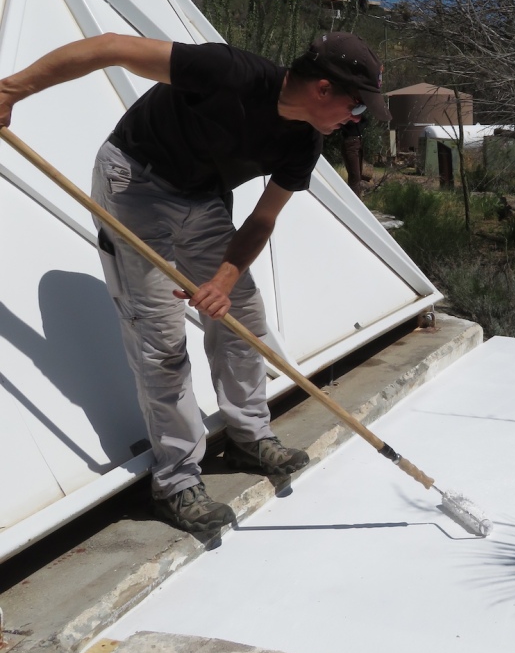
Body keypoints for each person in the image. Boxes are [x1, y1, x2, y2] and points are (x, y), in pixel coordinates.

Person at [0, 31, 390, 534]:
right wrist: (10, 90)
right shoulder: (230, 74)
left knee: (242, 315)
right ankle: (177, 481)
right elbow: (111, 47)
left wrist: (224, 281)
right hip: (136, 181)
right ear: (323, 88)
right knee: (161, 339)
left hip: (203, 197)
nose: (355, 121)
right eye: (356, 108)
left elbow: (262, 220)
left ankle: (249, 435)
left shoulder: (304, 142)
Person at [340, 118, 365, 197]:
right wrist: (349, 131)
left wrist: (359, 129)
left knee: (358, 176)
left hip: (358, 140)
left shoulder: (356, 113)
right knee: (355, 176)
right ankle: (351, 199)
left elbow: (365, 120)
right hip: (349, 141)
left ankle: (356, 199)